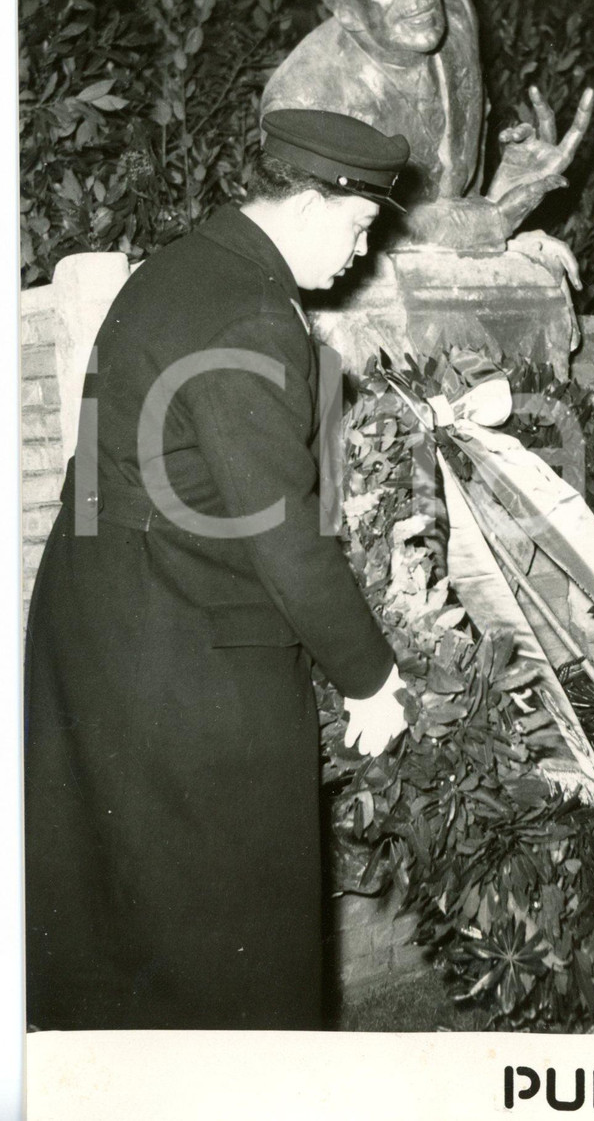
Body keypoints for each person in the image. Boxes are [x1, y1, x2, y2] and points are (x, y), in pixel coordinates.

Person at [24, 110, 412, 1030]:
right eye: (359, 227)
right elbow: (282, 534)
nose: (362, 253)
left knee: (123, 927)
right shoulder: (250, 313)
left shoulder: (179, 268)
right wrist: (371, 678)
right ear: (310, 205)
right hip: (185, 652)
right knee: (232, 933)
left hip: (107, 624)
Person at [261, 0, 592, 281]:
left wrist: (503, 191)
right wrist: (491, 222)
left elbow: (452, 194)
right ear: (347, 11)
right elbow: (343, 237)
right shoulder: (304, 99)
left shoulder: (456, 13)